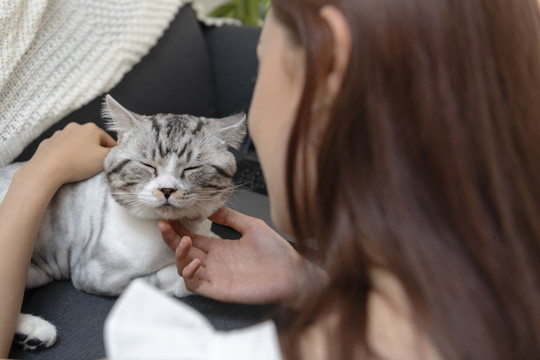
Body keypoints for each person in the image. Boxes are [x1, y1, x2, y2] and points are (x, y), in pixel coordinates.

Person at [2, 0, 540, 359]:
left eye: (259, 64)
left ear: (329, 70)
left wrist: (39, 175)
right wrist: (309, 280)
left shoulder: (160, 342)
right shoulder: (505, 310)